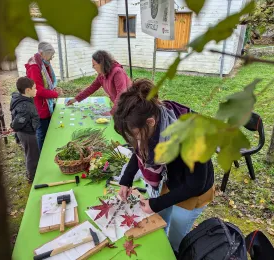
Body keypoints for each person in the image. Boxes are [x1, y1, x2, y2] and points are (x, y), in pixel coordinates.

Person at [113, 79, 215, 253]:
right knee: (159, 221)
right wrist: (126, 179)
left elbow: (195, 184)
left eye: (135, 135)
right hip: (170, 180)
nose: (135, 141)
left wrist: (156, 203)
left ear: (151, 122)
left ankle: (173, 253)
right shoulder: (150, 119)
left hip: (194, 190)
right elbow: (140, 151)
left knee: (176, 237)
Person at [66, 50, 131, 115]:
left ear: (101, 64)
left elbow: (122, 94)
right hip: (121, 106)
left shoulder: (117, 72)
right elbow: (91, 88)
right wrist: (75, 99)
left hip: (130, 104)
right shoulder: (102, 74)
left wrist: (112, 112)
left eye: (94, 65)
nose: (93, 67)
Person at [26, 42, 63, 151]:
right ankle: (42, 155)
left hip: (45, 104)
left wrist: (54, 89)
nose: (51, 59)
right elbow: (39, 90)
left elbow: (48, 81)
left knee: (48, 130)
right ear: (41, 54)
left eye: (52, 56)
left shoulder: (43, 64)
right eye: (50, 56)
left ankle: (48, 150)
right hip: (40, 106)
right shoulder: (34, 67)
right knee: (42, 132)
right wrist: (55, 94)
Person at [10, 77, 40, 183]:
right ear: (28, 90)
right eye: (34, 88)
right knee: (32, 155)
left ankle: (31, 173)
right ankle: (32, 176)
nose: (36, 90)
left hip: (27, 131)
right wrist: (14, 126)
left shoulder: (23, 98)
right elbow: (18, 122)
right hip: (27, 133)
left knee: (30, 153)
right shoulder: (25, 106)